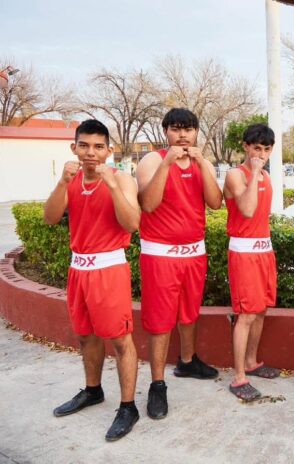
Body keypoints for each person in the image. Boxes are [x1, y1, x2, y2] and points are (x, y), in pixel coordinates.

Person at [45, 119, 141, 441]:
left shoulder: (121, 179)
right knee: (86, 336)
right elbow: (50, 217)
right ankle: (93, 390)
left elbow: (132, 223)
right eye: (84, 145)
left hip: (109, 270)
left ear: (108, 151)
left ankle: (128, 407)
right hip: (79, 270)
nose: (91, 152)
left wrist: (111, 185)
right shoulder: (71, 179)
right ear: (74, 148)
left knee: (120, 341)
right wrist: (62, 182)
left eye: (99, 147)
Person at [135, 108, 222, 419]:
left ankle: (187, 361)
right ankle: (157, 384)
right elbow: (148, 203)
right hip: (161, 255)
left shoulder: (202, 162)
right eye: (176, 128)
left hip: (194, 253)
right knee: (160, 321)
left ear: (196, 132)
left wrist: (202, 164)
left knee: (189, 312)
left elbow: (215, 203)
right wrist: (167, 164)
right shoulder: (152, 160)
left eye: (188, 129)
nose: (183, 135)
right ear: (166, 132)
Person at [224, 124, 280, 401]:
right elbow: (246, 210)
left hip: (264, 251)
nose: (261, 155)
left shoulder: (267, 176)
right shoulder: (235, 175)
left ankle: (251, 362)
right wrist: (255, 172)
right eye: (257, 148)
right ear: (246, 146)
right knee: (245, 314)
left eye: (266, 150)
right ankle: (238, 378)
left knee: (260, 311)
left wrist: (260, 173)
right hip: (244, 253)